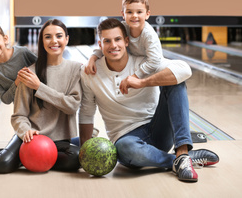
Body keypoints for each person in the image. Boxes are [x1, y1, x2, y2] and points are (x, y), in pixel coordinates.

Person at [79, 18, 219, 182]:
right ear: (100, 44)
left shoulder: (145, 64)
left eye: (117, 39)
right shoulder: (90, 72)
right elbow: (87, 112)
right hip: (126, 138)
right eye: (107, 41)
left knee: (175, 81)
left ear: (126, 41)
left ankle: (182, 151)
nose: (113, 45)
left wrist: (142, 82)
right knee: (124, 149)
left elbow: (184, 69)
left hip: (158, 130)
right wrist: (84, 152)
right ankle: (182, 160)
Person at [0, 19, 82, 173]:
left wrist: (39, 87)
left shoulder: (74, 69)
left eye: (59, 36)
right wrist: (25, 131)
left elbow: (72, 105)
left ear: (67, 39)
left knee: (76, 159)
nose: (54, 41)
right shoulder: (25, 75)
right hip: (30, 136)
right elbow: (15, 110)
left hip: (58, 138)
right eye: (48, 37)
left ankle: (20, 158)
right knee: (1, 164)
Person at [85, 0, 162, 89]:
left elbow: (155, 61)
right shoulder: (123, 27)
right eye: (129, 12)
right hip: (135, 65)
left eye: (139, 12)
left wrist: (135, 76)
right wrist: (93, 57)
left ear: (147, 14)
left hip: (152, 70)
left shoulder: (149, 34)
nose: (134, 15)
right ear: (123, 14)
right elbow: (109, 43)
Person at [0, 23, 37, 105]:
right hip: (23, 109)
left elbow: (43, 70)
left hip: (42, 101)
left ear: (5, 39)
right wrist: (17, 82)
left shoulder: (23, 52)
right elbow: (6, 99)